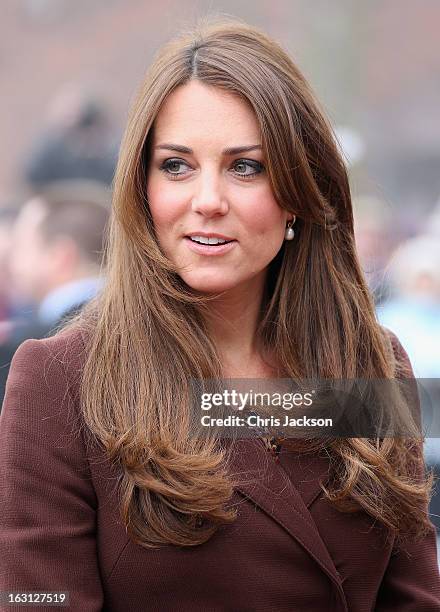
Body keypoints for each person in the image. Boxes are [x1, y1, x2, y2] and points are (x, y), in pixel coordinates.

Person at [1, 19, 439, 612]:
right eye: (177, 165)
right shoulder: (60, 380)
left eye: (245, 166)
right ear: (142, 189)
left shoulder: (372, 364)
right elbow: (38, 599)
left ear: (299, 192)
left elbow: (412, 595)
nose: (207, 200)